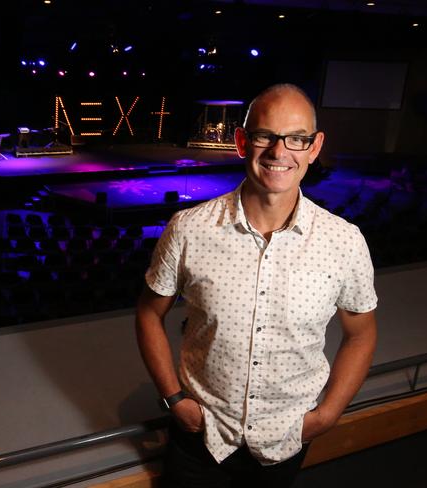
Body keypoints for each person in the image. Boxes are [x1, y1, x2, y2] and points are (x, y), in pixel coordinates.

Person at [135, 83, 378, 488]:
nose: (280, 152)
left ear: (314, 148)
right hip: (200, 438)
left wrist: (328, 414)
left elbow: (361, 335)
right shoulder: (188, 229)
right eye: (266, 136)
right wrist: (174, 399)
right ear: (243, 142)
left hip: (285, 442)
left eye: (297, 139)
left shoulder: (345, 241)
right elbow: (148, 312)